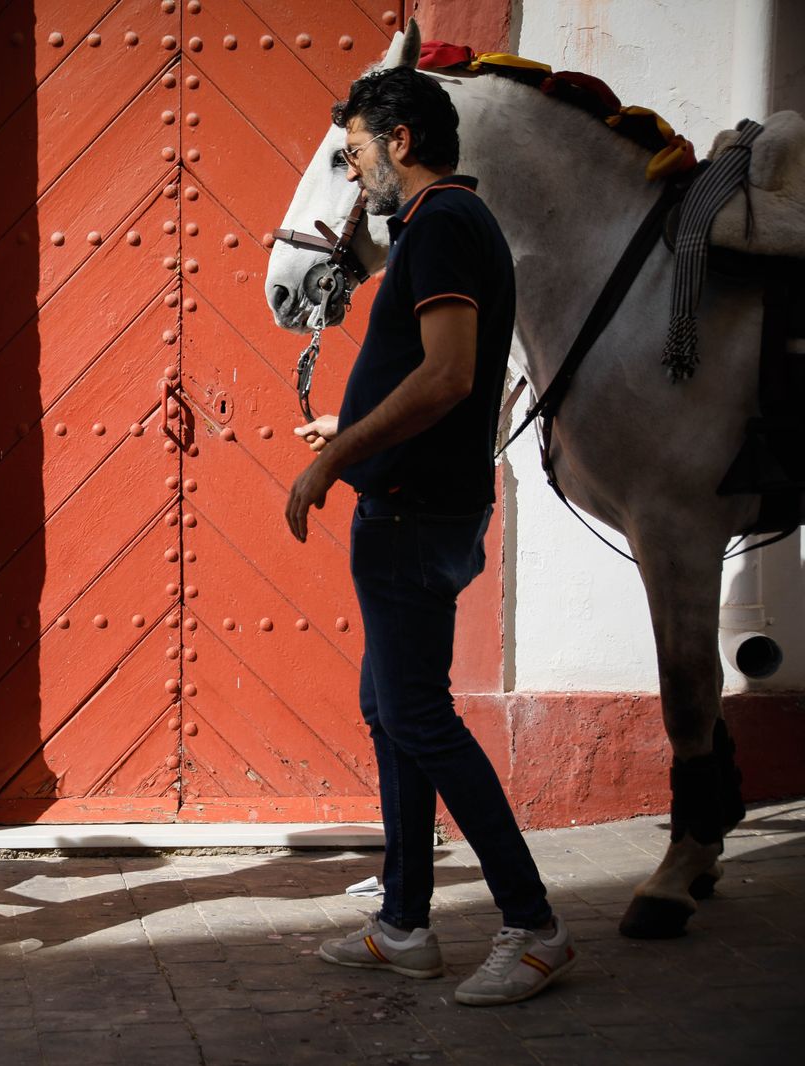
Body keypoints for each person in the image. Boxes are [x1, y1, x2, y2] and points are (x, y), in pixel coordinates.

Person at [283, 67, 576, 1007]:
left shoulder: (443, 223)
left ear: (400, 139)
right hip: (414, 506)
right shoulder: (441, 224)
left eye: (357, 149)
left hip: (411, 515)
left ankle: (533, 927)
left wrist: (336, 458)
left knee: (419, 719)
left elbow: (449, 377)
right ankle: (405, 923)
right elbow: (431, 374)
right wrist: (354, 423)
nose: (354, 166)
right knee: (393, 708)